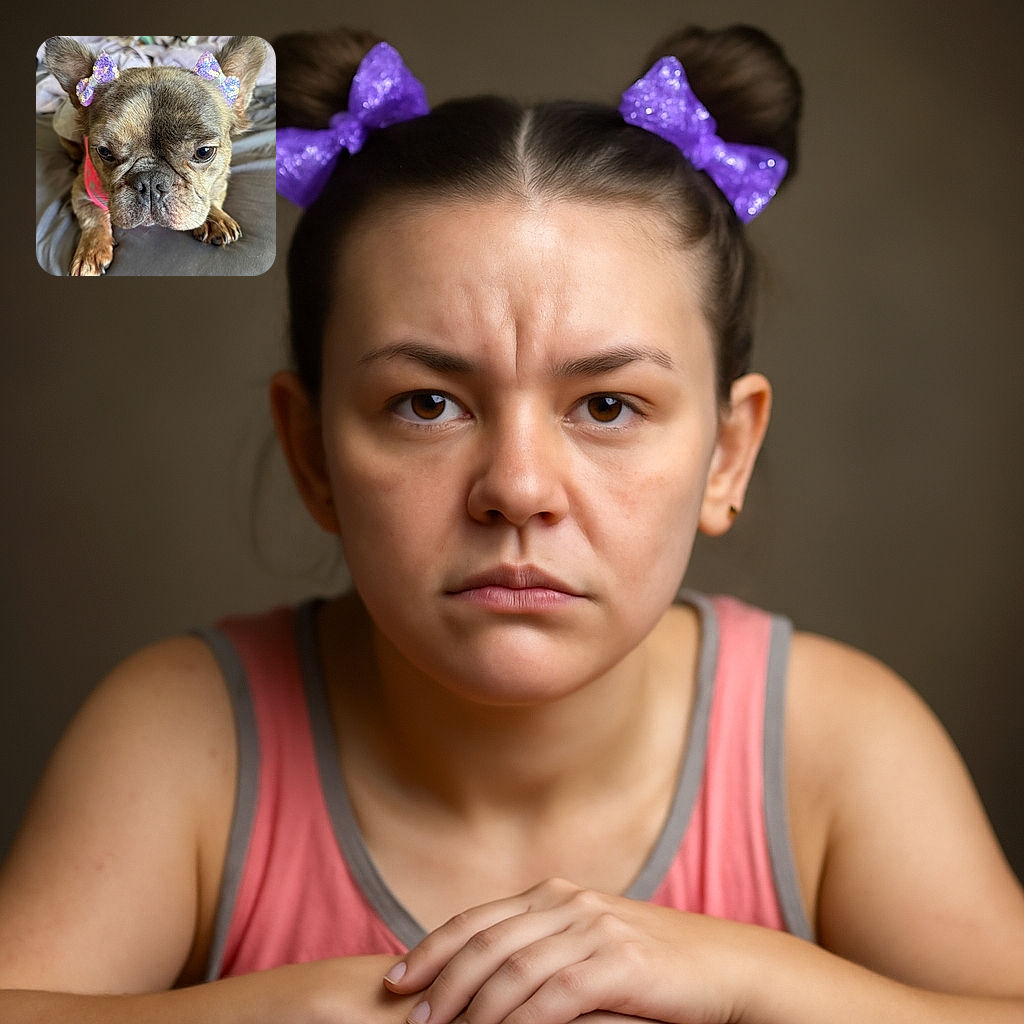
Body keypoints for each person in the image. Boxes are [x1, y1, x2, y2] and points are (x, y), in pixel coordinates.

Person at [1, 23, 1022, 1024]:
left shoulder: (833, 745)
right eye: (427, 403)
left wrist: (745, 979)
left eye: (608, 406)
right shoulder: (184, 738)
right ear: (311, 453)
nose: (519, 487)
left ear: (726, 453)